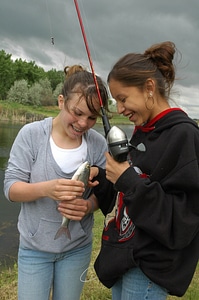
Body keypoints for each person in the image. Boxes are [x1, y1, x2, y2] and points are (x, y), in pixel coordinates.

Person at [89, 41, 199, 299]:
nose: (119, 109)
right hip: (123, 258)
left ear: (149, 87)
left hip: (148, 269)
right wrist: (103, 178)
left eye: (123, 99)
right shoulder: (142, 132)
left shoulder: (184, 136)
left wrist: (127, 180)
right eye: (116, 101)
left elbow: (184, 220)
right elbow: (131, 188)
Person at [4, 64, 109, 300]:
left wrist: (89, 206)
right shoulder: (31, 135)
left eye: (92, 117)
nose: (83, 123)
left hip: (77, 249)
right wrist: (46, 189)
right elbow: (11, 188)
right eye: (77, 113)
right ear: (61, 101)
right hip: (34, 250)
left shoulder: (97, 144)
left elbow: (104, 192)